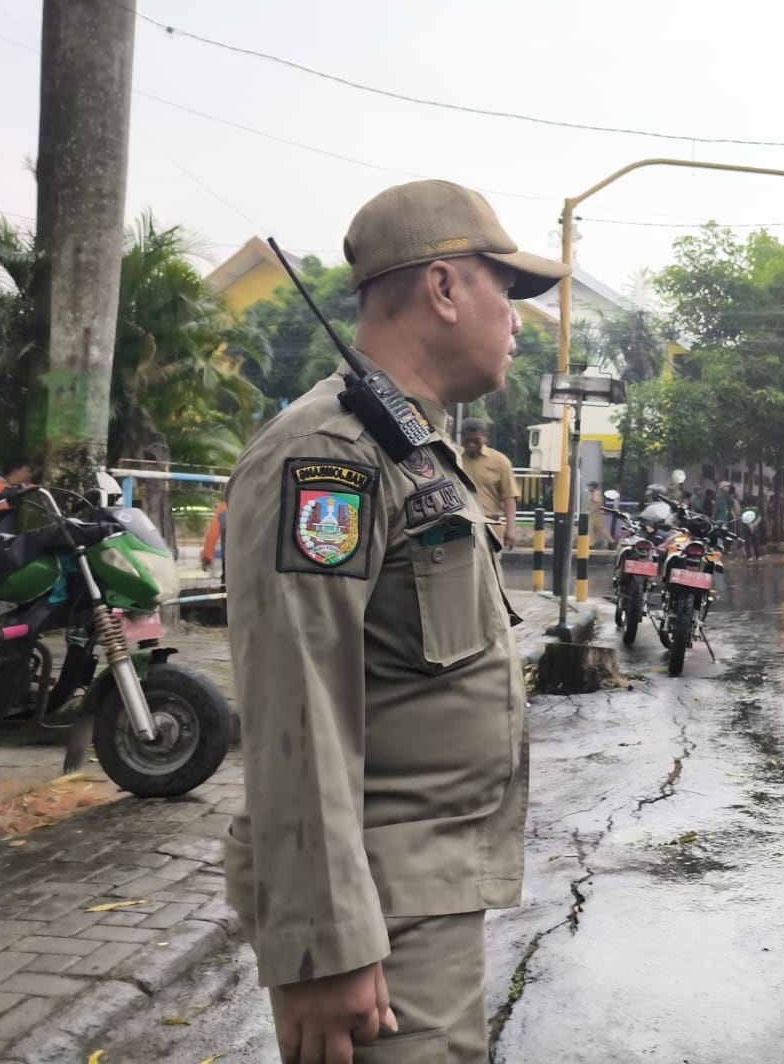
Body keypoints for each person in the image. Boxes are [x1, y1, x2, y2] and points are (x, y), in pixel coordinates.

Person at [222, 179, 567, 1064]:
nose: (519, 318)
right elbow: (296, 701)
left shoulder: (415, 451)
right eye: (507, 290)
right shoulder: (329, 455)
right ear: (445, 288)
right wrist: (323, 944)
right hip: (377, 916)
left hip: (425, 892)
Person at [459, 417, 520, 551]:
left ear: (485, 437)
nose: (471, 444)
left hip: (490, 527)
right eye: (467, 440)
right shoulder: (453, 458)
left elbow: (509, 496)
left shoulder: (500, 462)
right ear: (461, 437)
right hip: (460, 527)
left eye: (476, 441)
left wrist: (511, 528)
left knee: (489, 570)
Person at [199, 499, 229, 585]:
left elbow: (213, 534)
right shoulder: (257, 503)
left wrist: (206, 558)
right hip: (256, 559)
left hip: (229, 559)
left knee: (228, 586)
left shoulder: (224, 508)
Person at [587, 481, 613, 549]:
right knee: (592, 529)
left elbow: (597, 503)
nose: (589, 488)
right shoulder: (594, 493)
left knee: (601, 529)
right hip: (594, 514)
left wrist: (591, 511)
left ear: (593, 487)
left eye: (590, 486)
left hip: (597, 514)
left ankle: (611, 541)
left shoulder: (596, 493)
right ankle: (590, 544)